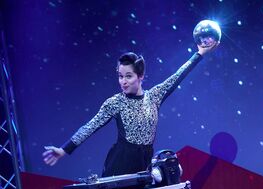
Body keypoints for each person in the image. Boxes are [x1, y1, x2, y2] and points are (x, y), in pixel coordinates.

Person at [43, 41, 218, 177]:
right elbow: (90, 126)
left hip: (144, 164)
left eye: (128, 76)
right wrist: (64, 149)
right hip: (120, 166)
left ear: (140, 76)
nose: (123, 81)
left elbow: (178, 75)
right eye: (120, 76)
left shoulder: (154, 96)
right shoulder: (115, 102)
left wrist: (200, 53)